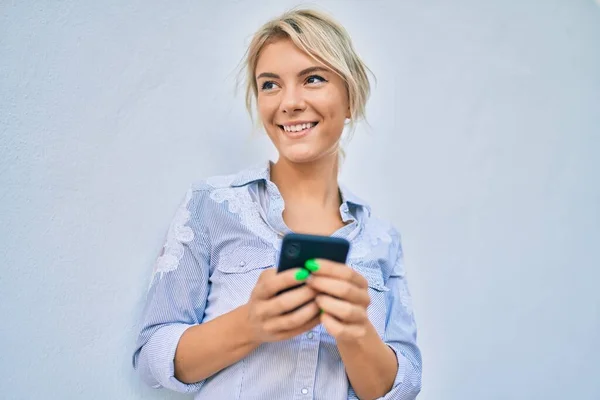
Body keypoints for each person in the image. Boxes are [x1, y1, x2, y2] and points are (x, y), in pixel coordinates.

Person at [132, 8, 422, 400]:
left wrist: (356, 334)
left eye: (313, 79)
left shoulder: (382, 239)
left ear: (351, 97)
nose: (289, 102)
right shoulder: (211, 206)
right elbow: (151, 358)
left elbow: (403, 388)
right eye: (270, 85)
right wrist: (249, 324)